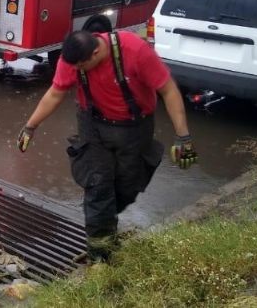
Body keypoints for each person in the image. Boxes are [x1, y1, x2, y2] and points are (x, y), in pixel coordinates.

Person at [17, 30, 196, 261]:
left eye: (82, 66)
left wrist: (183, 137)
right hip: (93, 126)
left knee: (127, 187)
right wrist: (30, 127)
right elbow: (55, 93)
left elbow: (168, 90)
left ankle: (105, 232)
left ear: (95, 52)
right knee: (98, 186)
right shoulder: (72, 60)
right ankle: (99, 255)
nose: (78, 71)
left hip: (134, 128)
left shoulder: (135, 51)